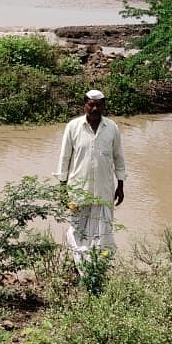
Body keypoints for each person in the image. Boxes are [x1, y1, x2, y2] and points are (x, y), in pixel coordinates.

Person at [56, 89, 126, 265]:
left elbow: (119, 158)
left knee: (104, 232)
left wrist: (121, 185)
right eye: (91, 104)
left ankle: (99, 266)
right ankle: (82, 266)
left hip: (104, 190)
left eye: (98, 105)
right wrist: (62, 187)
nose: (95, 108)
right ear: (85, 105)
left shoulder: (112, 128)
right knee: (77, 230)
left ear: (103, 106)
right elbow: (64, 158)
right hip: (79, 190)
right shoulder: (73, 127)